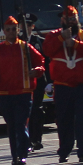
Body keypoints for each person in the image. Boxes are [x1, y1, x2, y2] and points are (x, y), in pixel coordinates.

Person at [0, 16, 45, 165]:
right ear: (4, 32)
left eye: (14, 29)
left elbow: (41, 62)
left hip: (23, 92)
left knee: (21, 124)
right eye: (9, 30)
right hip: (6, 94)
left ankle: (22, 154)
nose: (12, 32)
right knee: (11, 126)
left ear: (18, 30)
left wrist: (37, 71)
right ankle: (14, 155)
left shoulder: (26, 47)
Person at [43, 6, 83, 163]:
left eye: (74, 18)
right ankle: (64, 150)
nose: (71, 21)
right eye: (68, 18)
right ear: (62, 20)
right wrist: (62, 38)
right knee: (63, 120)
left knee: (82, 120)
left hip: (82, 85)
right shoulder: (53, 36)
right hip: (62, 86)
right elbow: (47, 51)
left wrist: (74, 44)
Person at [18, 13, 49, 151]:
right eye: (23, 25)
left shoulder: (39, 41)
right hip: (21, 83)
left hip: (38, 82)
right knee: (24, 112)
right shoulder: (16, 42)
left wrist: (49, 82)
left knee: (37, 111)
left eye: (29, 25)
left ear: (33, 26)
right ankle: (26, 141)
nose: (26, 28)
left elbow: (46, 62)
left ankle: (36, 139)